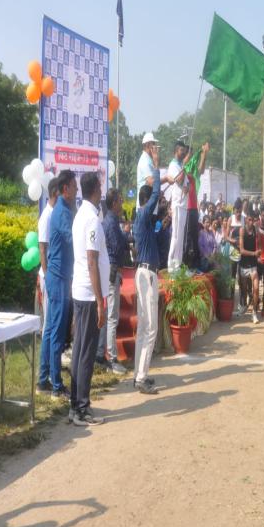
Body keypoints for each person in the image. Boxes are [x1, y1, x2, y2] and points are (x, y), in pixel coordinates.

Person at [69, 172, 109, 426]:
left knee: (79, 350)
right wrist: (100, 300)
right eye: (100, 186)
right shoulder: (91, 219)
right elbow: (92, 260)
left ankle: (76, 405)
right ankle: (81, 408)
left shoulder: (81, 215)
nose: (102, 190)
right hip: (88, 294)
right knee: (86, 352)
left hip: (81, 291)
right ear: (95, 189)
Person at [37, 170, 77, 399]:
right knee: (57, 333)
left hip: (57, 276)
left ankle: (44, 380)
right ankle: (56, 386)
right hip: (59, 277)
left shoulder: (62, 210)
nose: (77, 190)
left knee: (51, 330)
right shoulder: (62, 213)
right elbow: (74, 240)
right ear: (65, 189)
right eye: (74, 186)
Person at [133, 146, 161, 394]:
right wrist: (157, 166)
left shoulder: (142, 219)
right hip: (147, 275)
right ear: (146, 200)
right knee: (150, 328)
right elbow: (157, 193)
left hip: (145, 273)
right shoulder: (142, 214)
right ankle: (141, 377)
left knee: (144, 327)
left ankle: (139, 375)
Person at [99, 188, 128, 375]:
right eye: (120, 200)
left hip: (110, 270)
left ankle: (102, 353)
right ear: (114, 203)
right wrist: (125, 236)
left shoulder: (109, 220)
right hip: (112, 270)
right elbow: (117, 247)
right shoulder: (111, 222)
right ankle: (112, 358)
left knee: (109, 315)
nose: (122, 203)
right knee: (112, 317)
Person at [182, 142, 210, 269]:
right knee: (187, 238)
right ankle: (185, 264)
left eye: (192, 154)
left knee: (194, 236)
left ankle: (195, 264)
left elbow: (201, 170)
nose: (192, 157)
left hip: (193, 208)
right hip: (186, 208)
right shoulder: (183, 170)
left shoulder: (192, 173)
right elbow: (184, 166)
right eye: (189, 154)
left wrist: (204, 154)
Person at [37, 178, 59, 331]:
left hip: (55, 274)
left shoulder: (55, 213)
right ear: (55, 193)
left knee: (55, 319)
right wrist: (47, 276)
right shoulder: (46, 216)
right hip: (49, 275)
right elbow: (42, 249)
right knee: (49, 322)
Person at [167, 141, 190, 271]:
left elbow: (187, 184)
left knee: (181, 236)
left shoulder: (181, 165)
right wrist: (184, 166)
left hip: (183, 205)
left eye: (184, 151)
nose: (184, 153)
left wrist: (188, 188)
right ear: (176, 151)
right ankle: (171, 265)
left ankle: (178, 264)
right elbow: (179, 180)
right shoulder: (173, 165)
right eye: (182, 150)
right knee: (176, 235)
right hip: (177, 204)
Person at [239, 211, 261, 322]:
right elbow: (242, 250)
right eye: (249, 220)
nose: (251, 222)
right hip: (243, 264)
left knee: (256, 288)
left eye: (253, 220)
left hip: (253, 264)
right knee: (244, 289)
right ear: (246, 220)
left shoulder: (256, 231)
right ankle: (244, 304)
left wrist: (259, 254)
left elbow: (259, 246)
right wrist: (254, 253)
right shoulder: (242, 230)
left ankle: (254, 312)